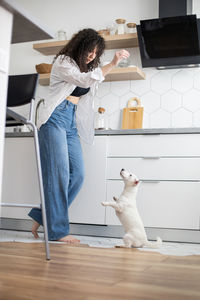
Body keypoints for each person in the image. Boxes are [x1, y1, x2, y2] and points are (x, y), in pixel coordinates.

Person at [28, 28, 130, 243]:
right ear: (79, 46)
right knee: (59, 175)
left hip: (70, 122)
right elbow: (83, 81)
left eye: (96, 53)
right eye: (89, 51)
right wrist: (112, 63)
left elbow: (90, 83)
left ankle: (42, 216)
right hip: (54, 118)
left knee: (78, 174)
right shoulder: (64, 61)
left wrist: (108, 65)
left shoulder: (88, 68)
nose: (92, 56)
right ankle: (57, 231)